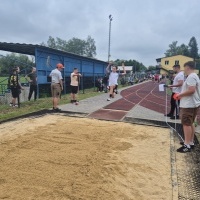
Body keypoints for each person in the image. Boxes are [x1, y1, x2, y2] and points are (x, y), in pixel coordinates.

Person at [174, 61, 200, 153]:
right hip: (192, 104)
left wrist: (180, 94)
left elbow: (191, 90)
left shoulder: (191, 76)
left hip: (188, 104)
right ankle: (190, 142)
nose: (183, 70)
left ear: (188, 67)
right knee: (191, 123)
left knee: (186, 124)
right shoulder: (195, 76)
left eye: (184, 68)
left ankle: (187, 145)